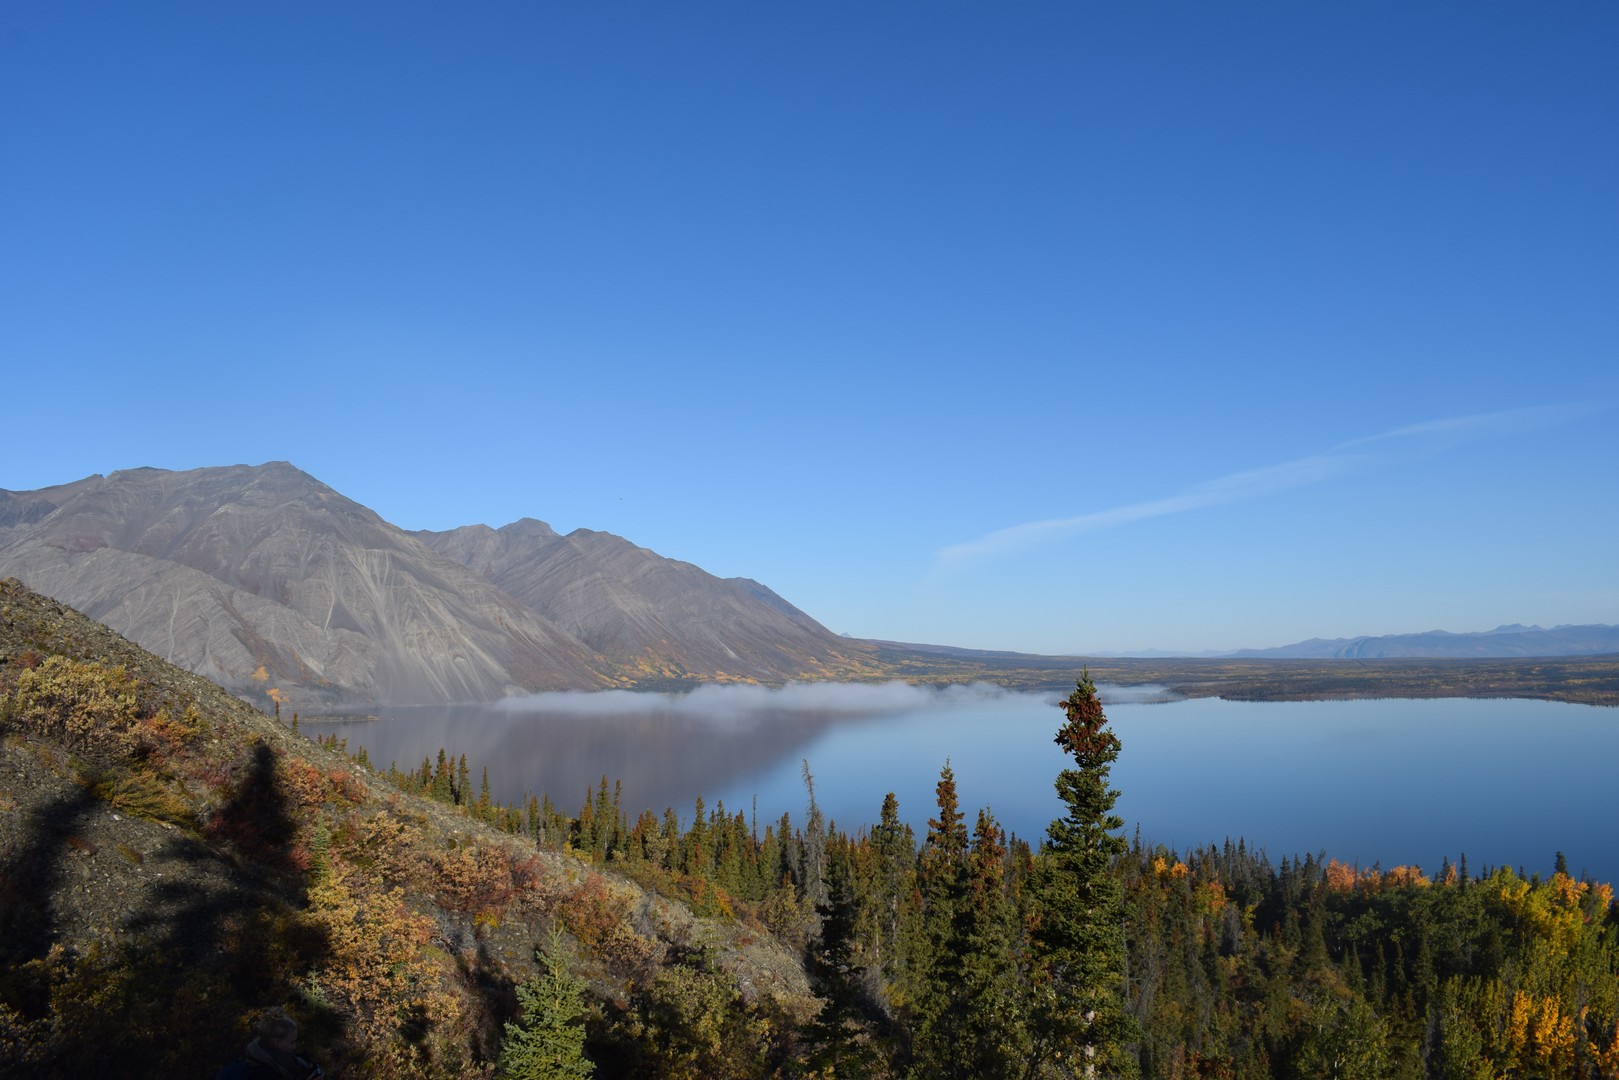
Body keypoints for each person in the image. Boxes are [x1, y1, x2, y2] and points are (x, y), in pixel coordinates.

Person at [218, 1009, 324, 1079]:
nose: (294, 1047)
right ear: (276, 1042)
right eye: (291, 1042)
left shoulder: (259, 1056)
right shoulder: (260, 1072)